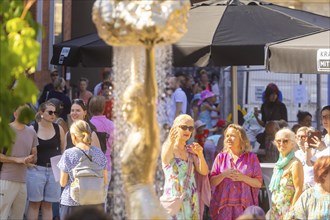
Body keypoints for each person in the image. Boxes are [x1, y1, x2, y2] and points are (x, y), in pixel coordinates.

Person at [209, 124, 263, 220]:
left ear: (241, 138)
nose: (229, 138)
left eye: (232, 136)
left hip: (245, 208)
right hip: (224, 207)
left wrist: (243, 178)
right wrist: (224, 175)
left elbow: (258, 183)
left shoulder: (251, 158)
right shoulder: (220, 157)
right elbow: (212, 181)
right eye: (227, 136)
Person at [57, 120, 108, 220]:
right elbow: (105, 180)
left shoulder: (68, 154)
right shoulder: (99, 153)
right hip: (95, 201)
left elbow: (63, 183)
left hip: (71, 202)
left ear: (74, 136)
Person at [161, 114, 209, 219]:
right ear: (174, 129)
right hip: (174, 198)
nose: (187, 130)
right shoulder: (168, 147)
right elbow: (165, 159)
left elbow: (204, 172)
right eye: (184, 127)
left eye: (190, 128)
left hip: (191, 199)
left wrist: (200, 154)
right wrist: (171, 141)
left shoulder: (191, 150)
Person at [26, 101, 66, 220]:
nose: (53, 114)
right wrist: (27, 162)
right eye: (50, 112)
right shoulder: (33, 128)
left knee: (48, 205)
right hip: (36, 170)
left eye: (55, 112)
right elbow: (26, 149)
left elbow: (63, 149)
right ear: (41, 113)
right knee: (34, 204)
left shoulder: (58, 128)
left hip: (54, 171)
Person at [0, 105, 38, 220]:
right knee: (2, 214)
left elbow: (34, 156)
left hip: (23, 181)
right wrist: (17, 160)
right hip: (6, 179)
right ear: (15, 114)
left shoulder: (31, 132)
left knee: (18, 216)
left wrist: (31, 159)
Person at [268, 128, 304, 219]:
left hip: (289, 212)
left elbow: (299, 190)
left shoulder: (295, 163)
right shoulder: (278, 165)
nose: (281, 144)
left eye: (285, 141)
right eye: (278, 141)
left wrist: (291, 212)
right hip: (276, 210)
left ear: (292, 143)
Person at [89, 96, 114, 183]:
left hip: (89, 165)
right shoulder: (111, 125)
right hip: (107, 164)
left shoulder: (87, 125)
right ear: (103, 108)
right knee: (104, 195)